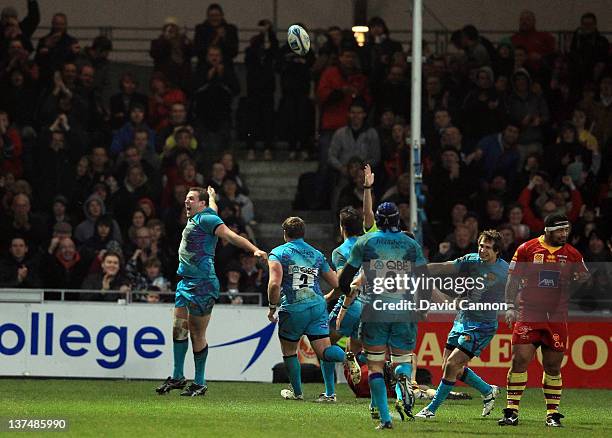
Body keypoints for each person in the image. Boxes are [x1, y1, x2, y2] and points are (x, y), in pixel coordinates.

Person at [155, 186, 266, 397]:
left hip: (203, 284)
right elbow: (213, 207)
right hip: (185, 283)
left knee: (197, 333)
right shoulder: (204, 215)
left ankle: (199, 381)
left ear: (200, 204)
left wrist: (254, 249)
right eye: (186, 199)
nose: (186, 202)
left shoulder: (207, 220)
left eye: (191, 199)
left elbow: (231, 236)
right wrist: (213, 197)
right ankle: (178, 376)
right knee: (179, 328)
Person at [338, 202, 429, 429]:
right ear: (399, 220)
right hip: (404, 310)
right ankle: (405, 379)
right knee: (402, 360)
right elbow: (424, 278)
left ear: (377, 221)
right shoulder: (411, 244)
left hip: (375, 311)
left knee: (376, 366)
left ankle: (386, 419)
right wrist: (423, 306)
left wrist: (348, 294)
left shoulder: (365, 241)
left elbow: (345, 277)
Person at [498, 214, 589, 428]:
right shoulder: (527, 249)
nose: (564, 234)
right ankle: (511, 411)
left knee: (552, 366)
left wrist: (577, 283)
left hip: (557, 317)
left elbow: (584, 277)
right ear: (547, 230)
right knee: (519, 360)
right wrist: (510, 306)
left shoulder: (572, 254)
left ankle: (552, 413)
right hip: (529, 313)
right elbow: (512, 278)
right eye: (560, 231)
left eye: (566, 230)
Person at [415, 230, 509, 419]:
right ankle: (488, 390)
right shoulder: (471, 259)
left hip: (482, 326)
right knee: (450, 368)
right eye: (481, 245)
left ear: (497, 251)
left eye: (487, 248)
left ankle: (430, 410)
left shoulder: (505, 271)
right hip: (462, 320)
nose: (482, 250)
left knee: (452, 364)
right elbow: (445, 267)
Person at [266, 216, 360, 401]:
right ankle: (346, 357)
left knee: (289, 351)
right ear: (303, 233)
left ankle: (297, 393)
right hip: (317, 307)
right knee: (325, 351)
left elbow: (274, 285)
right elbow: (338, 283)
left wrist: (271, 307)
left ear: (285, 233)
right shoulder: (316, 254)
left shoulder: (278, 253)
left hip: (294, 307)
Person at [318, 206, 364, 402]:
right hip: (371, 305)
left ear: (342, 227)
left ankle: (330, 393)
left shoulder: (341, 251)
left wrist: (327, 297)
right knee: (360, 350)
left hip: (351, 304)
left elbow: (341, 283)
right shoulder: (368, 244)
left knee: (324, 345)